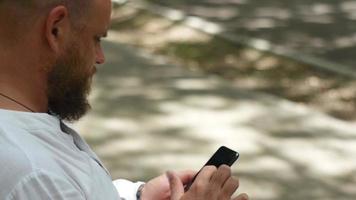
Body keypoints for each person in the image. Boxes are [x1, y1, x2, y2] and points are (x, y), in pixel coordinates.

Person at [0, 0, 249, 199]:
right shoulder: (33, 174)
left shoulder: (29, 131)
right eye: (96, 39)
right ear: (56, 28)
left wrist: (138, 196)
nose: (100, 57)